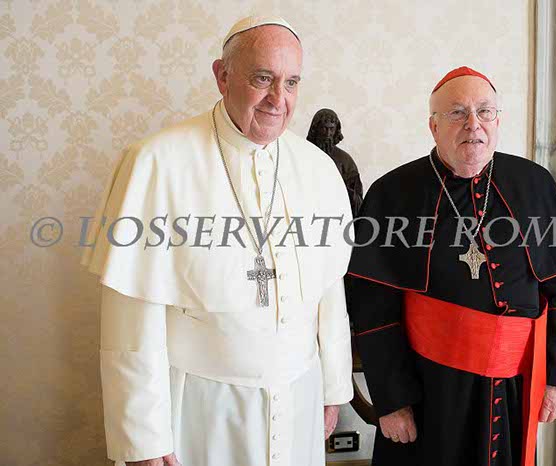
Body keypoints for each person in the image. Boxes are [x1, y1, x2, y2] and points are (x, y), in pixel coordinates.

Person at [81, 15, 354, 466]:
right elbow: (130, 314)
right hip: (199, 407)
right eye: (263, 78)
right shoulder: (155, 162)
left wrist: (334, 387)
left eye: (291, 83)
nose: (278, 99)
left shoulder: (319, 168)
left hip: (299, 399)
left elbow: (330, 288)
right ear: (222, 76)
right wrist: (143, 437)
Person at [347, 67, 556, 466]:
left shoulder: (535, 183)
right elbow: (373, 311)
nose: (473, 124)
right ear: (433, 126)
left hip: (513, 388)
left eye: (485, 111)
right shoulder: (392, 193)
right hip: (429, 390)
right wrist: (392, 401)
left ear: (498, 120)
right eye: (457, 113)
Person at [307, 108, 364, 217]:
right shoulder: (302, 155)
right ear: (316, 129)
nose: (328, 134)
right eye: (324, 128)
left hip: (337, 215)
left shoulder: (345, 160)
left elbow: (357, 201)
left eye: (332, 129)